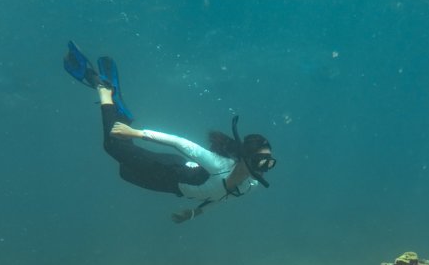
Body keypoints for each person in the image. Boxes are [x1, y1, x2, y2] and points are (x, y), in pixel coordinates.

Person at [63, 41, 276, 223]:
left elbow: (221, 198)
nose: (265, 168)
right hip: (169, 169)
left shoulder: (251, 185)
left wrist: (194, 213)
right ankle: (104, 91)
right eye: (261, 161)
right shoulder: (219, 165)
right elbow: (180, 142)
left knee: (124, 172)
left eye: (269, 163)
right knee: (112, 145)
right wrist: (137, 133)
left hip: (170, 186)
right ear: (246, 158)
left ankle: (120, 111)